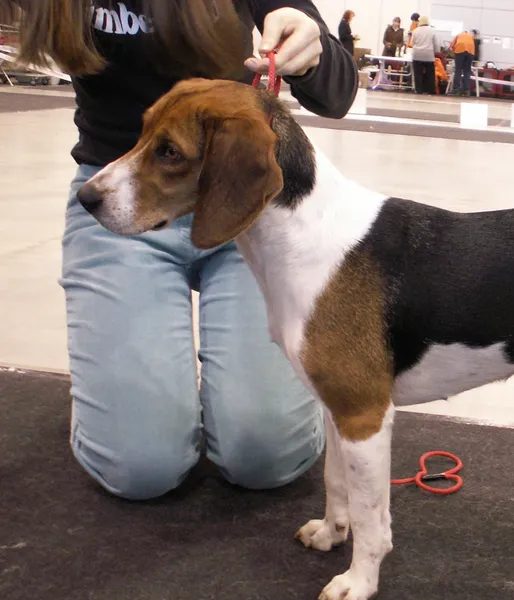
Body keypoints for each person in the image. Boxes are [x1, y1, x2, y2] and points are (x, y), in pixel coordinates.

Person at [2, 0, 358, 501]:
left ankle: (195, 398)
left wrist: (313, 52)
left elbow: (338, 93)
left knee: (268, 456)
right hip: (114, 191)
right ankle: (128, 400)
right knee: (140, 468)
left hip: (240, 203)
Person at [409, 15, 437, 95]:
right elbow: (436, 44)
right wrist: (435, 52)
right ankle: (431, 90)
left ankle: (419, 90)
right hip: (428, 55)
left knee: (418, 73)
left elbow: (412, 43)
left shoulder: (415, 31)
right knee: (430, 73)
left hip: (417, 54)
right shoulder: (432, 30)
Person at [449, 28, 475, 96]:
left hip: (460, 50)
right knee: (467, 71)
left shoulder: (459, 35)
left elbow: (451, 45)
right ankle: (466, 90)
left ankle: (456, 89)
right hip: (470, 52)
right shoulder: (470, 37)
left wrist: (454, 52)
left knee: (458, 70)